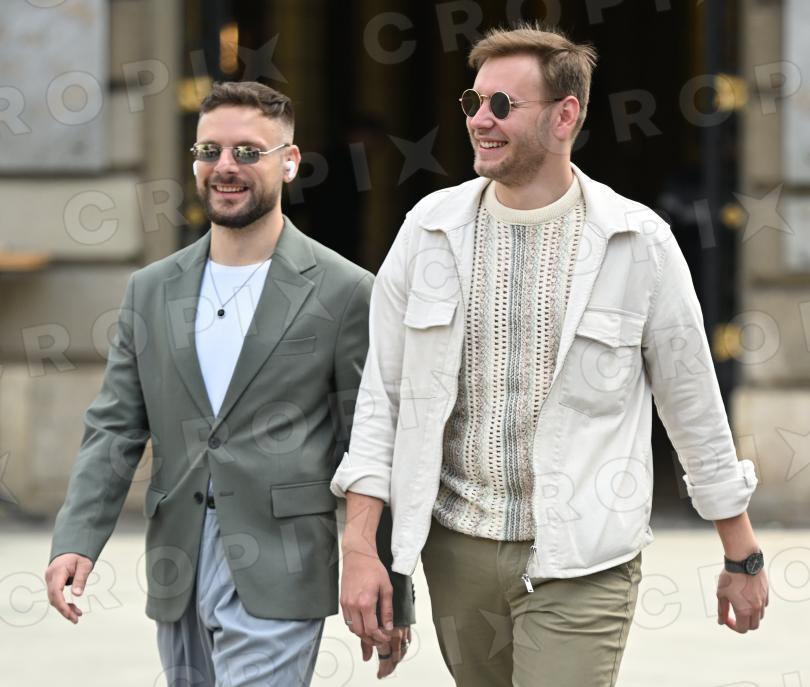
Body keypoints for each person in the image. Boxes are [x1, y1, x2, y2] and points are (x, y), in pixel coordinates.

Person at [332, 24, 768, 687]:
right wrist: (363, 546)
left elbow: (693, 404)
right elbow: (383, 402)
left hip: (586, 557)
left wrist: (742, 553)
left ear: (565, 116)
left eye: (501, 104)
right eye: (472, 102)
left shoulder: (638, 242)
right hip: (457, 553)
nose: (479, 119)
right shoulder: (427, 232)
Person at [44, 81, 413, 686]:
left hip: (284, 561)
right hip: (178, 561)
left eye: (247, 151)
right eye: (209, 150)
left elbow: (371, 443)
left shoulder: (345, 291)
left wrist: (392, 587)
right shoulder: (150, 288)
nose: (224, 167)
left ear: (289, 162)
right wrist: (76, 539)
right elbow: (114, 426)